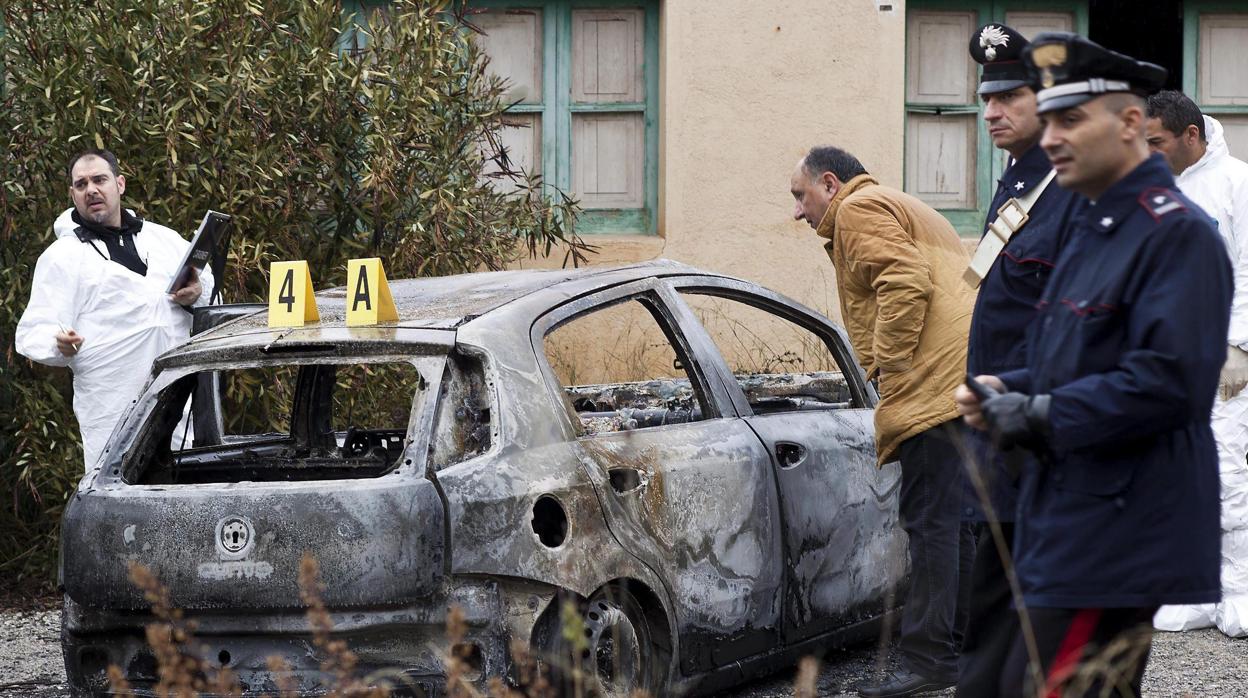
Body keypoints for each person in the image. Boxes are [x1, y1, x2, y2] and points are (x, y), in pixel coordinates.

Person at [956, 33, 1231, 697]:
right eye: (1047, 120)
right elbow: (1071, 354)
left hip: (1117, 525)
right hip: (1067, 515)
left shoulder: (1177, 232)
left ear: (1131, 122)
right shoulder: (1094, 224)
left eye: (1070, 119)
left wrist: (1037, 413)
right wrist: (1009, 386)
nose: (1050, 138)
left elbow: (1170, 384)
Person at [791, 146, 976, 697]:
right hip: (961, 375)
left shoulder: (857, 209)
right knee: (954, 522)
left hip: (931, 383)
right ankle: (954, 649)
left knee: (930, 523)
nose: (798, 212)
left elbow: (904, 281)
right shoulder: (896, 202)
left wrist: (888, 365)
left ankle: (927, 661)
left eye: (800, 196)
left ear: (829, 183)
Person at [956, 23, 1081, 698]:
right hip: (996, 433)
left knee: (1021, 617)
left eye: (1010, 98)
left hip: (1032, 435)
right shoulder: (1017, 181)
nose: (992, 112)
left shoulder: (1064, 191)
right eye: (986, 99)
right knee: (994, 609)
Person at [15, 149, 213, 470]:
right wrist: (59, 342)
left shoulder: (165, 240)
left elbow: (211, 296)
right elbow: (32, 331)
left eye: (99, 180)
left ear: (119, 184)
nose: (91, 189)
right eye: (81, 184)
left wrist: (196, 294)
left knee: (184, 497)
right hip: (113, 410)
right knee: (124, 505)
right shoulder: (62, 257)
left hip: (178, 402)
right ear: (72, 195)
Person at [1145, 90, 1248, 639]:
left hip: (1226, 360)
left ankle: (1239, 591)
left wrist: (1238, 349)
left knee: (1225, 470)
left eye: (1157, 142)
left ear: (1191, 136)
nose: (1149, 152)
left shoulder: (1238, 182)